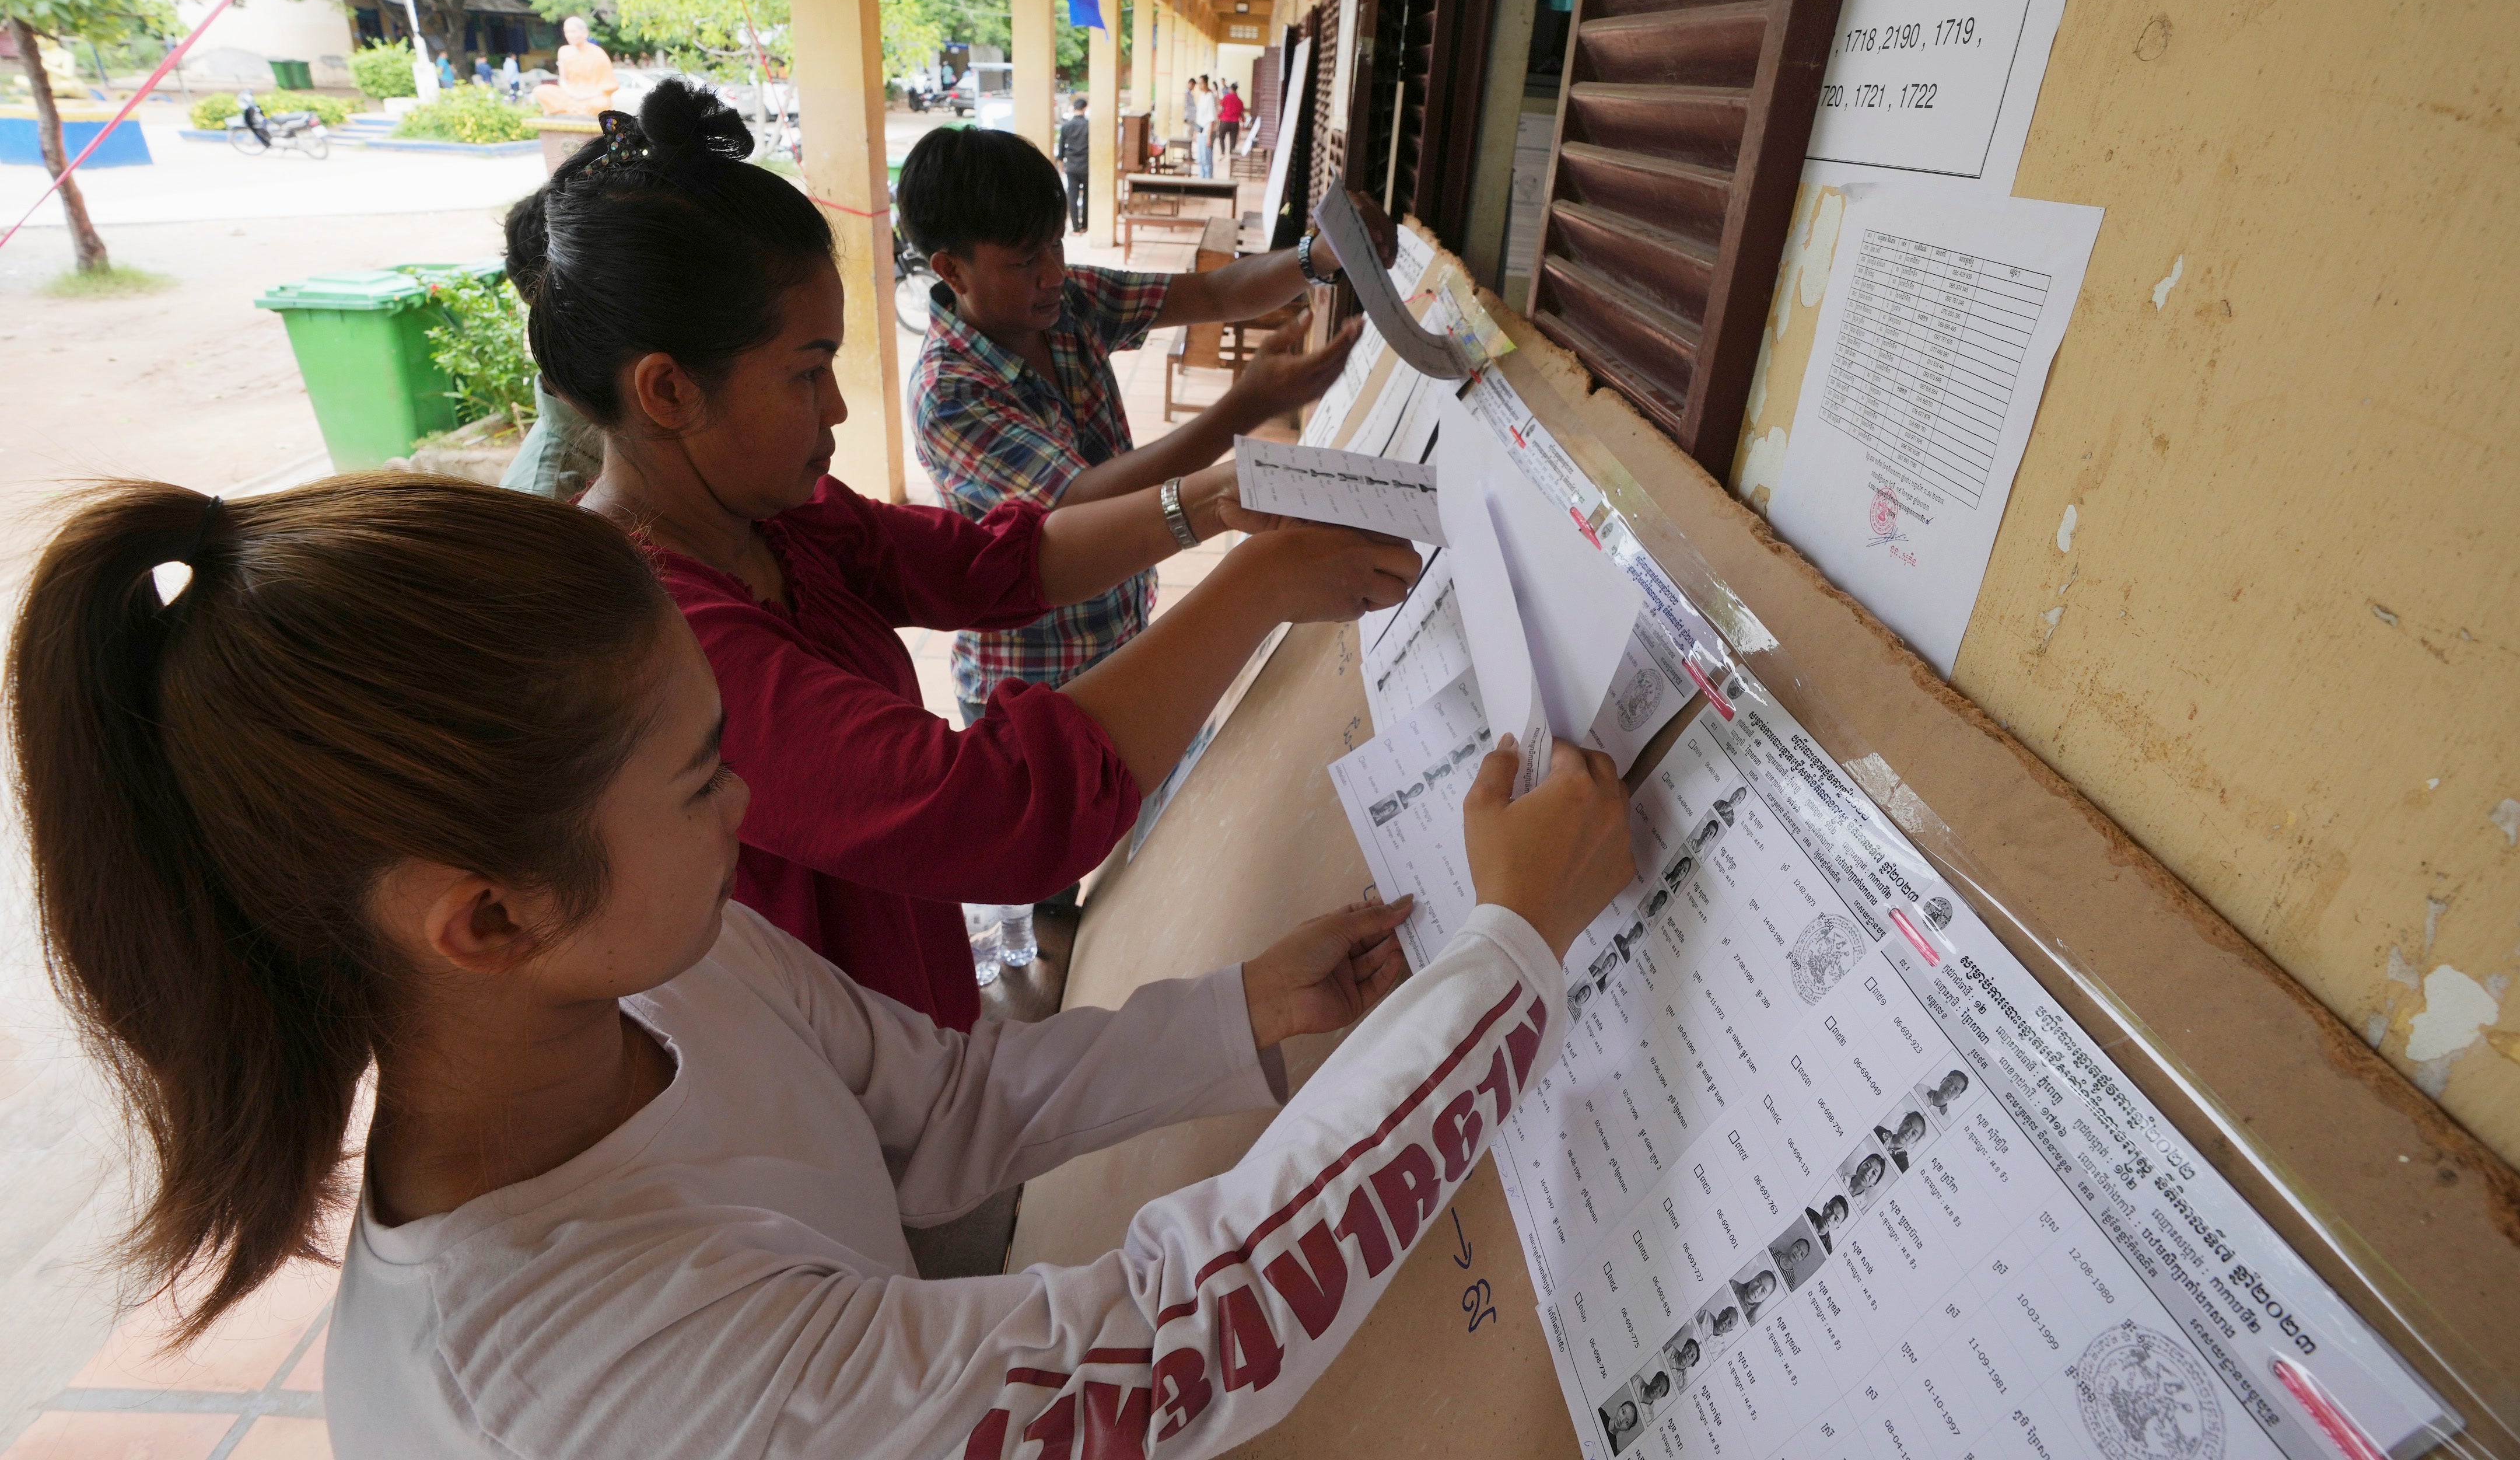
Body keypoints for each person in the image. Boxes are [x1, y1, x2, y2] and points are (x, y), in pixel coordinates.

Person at [10, 470, 1639, 1460]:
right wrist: (1508, 953)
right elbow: (1185, 1344)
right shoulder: (572, 1368)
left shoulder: (661, 974)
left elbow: (937, 1108)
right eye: (700, 775)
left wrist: (1244, 1015)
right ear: (487, 918)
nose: (745, 803)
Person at [508, 83, 1416, 1029]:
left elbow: (997, 563)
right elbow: (993, 811)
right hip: (822, 1072)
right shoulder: (658, 639)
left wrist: (1213, 498)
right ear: (667, 392)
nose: (839, 409)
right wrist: (1255, 585)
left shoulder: (786, 520)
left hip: (907, 1021)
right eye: (806, 373)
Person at [902, 125, 1389, 759]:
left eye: (1057, 244)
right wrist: (1246, 405)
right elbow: (1080, 507)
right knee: (1079, 847)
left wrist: (1316, 259)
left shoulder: (1065, 304)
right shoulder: (952, 391)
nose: (1053, 273)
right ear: (950, 269)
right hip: (1037, 682)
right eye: (1026, 260)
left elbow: (1213, 293)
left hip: (1124, 636)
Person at [534, 15, 620, 116]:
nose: (570, 35)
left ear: (585, 33)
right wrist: (572, 94)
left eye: (573, 32)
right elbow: (563, 81)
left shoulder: (598, 53)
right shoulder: (564, 52)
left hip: (592, 97)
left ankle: (573, 110)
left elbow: (611, 85)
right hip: (570, 96)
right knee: (540, 91)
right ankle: (576, 110)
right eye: (567, 32)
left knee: (601, 103)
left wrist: (587, 95)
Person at [1056, 92, 1091, 234]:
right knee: (1087, 196)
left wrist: (1061, 166)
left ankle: (1075, 228)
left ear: (1073, 108)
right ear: (1085, 108)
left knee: (1073, 196)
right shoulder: (1089, 126)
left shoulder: (1066, 127)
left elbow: (1061, 148)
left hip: (1071, 166)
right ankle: (1085, 225)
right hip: (1087, 166)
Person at [1192, 74, 1218, 177]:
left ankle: (1208, 182)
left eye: (1201, 83)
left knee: (1207, 160)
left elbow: (1212, 119)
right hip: (1200, 132)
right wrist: (1195, 133)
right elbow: (1199, 117)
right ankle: (1201, 182)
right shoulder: (1202, 96)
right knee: (1201, 159)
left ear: (1206, 84)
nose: (1199, 85)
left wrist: (1209, 137)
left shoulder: (1210, 97)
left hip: (1208, 132)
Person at [1217, 81, 1245, 155]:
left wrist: (1219, 116)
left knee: (1221, 136)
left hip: (1225, 121)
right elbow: (1241, 113)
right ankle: (1231, 153)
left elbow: (1221, 108)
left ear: (1231, 89)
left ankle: (1223, 152)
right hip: (1235, 122)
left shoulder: (1226, 98)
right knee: (1233, 139)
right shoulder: (1240, 101)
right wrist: (1243, 121)